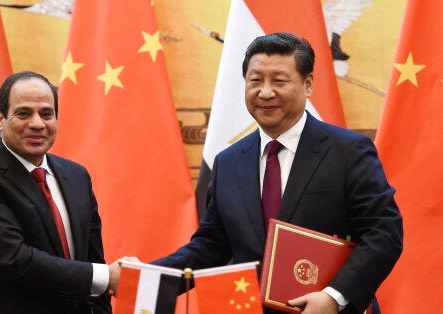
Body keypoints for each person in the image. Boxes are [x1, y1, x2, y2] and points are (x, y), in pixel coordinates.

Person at [153, 33, 403, 313]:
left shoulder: (348, 151)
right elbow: (211, 246)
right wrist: (144, 277)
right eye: (255, 80)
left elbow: (384, 233)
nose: (265, 92)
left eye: (279, 81)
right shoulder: (228, 162)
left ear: (307, 84)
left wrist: (334, 297)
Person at [0, 71, 120, 313]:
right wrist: (105, 276)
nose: (37, 123)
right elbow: (13, 261)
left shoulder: (77, 176)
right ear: (0, 118)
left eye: (46, 114)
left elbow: (92, 260)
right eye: (24, 113)